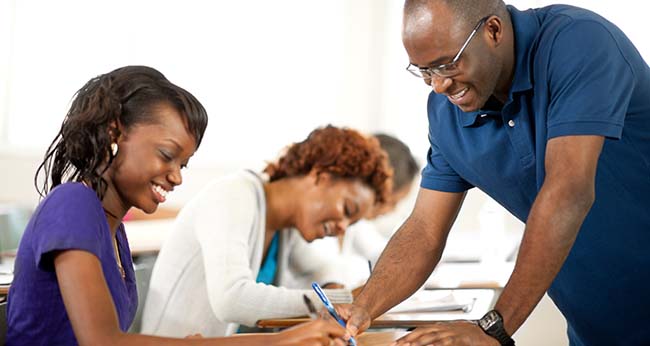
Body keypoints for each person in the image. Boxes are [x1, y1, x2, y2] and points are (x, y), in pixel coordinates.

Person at [339, 1, 650, 345]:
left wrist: (494, 328)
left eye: (447, 64)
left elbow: (568, 192)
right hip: (596, 329)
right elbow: (424, 229)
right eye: (425, 71)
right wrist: (363, 306)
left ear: (493, 31)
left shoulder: (579, 43)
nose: (439, 86)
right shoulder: (447, 112)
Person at [6, 65, 348, 346]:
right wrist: (279, 341)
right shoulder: (73, 203)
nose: (177, 177)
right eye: (167, 156)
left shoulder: (113, 229)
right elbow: (103, 342)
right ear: (114, 133)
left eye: (182, 165)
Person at [141, 125, 393, 337]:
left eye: (351, 224)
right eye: (347, 209)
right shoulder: (233, 195)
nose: (342, 228)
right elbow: (231, 299)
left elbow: (325, 268)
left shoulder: (285, 226)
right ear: (322, 175)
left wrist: (335, 289)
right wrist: (340, 299)